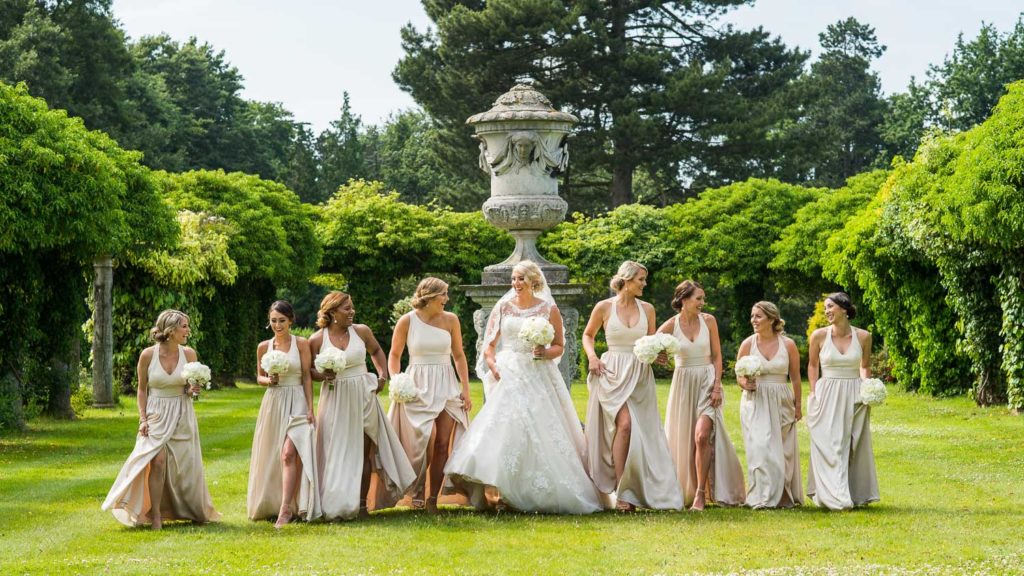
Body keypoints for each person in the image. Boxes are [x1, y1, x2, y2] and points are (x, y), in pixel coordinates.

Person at [446, 261, 607, 514]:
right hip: (508, 371)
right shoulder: (503, 307)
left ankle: (528, 491)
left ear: (534, 280)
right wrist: (493, 364)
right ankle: (497, 493)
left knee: (538, 429)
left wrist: (544, 351)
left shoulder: (548, 309)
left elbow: (559, 346)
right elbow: (489, 345)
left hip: (538, 373)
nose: (515, 284)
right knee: (504, 428)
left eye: (520, 278)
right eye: (513, 279)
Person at [102, 310, 220, 529]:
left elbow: (192, 393)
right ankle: (155, 514)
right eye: (184, 326)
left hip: (182, 412)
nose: (188, 331)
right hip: (156, 413)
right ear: (171, 330)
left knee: (183, 466)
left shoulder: (189, 354)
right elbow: (141, 390)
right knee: (156, 461)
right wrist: (142, 419)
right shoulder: (148, 355)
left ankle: (187, 508)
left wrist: (194, 390)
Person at [582, 261, 683, 511]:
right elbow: (588, 335)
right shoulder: (604, 307)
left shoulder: (647, 309)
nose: (644, 284)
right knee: (624, 425)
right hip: (612, 372)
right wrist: (593, 357)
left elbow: (650, 342)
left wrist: (659, 354)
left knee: (641, 433)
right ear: (626, 280)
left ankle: (634, 489)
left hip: (639, 374)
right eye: (641, 279)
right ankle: (620, 491)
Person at [310, 291, 415, 520]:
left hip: (363, 395)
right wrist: (323, 374)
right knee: (336, 450)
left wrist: (382, 376)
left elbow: (376, 351)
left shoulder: (362, 331)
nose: (352, 312)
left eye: (352, 307)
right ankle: (335, 501)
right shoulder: (318, 339)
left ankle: (361, 506)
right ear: (332, 312)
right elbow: (308, 371)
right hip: (336, 398)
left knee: (364, 450)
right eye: (346, 308)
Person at [383, 277, 471, 514]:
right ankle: (417, 490)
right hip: (418, 383)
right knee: (426, 437)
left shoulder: (451, 320)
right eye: (443, 294)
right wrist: (397, 379)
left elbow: (459, 356)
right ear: (430, 297)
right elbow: (394, 354)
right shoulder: (407, 321)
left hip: (446, 382)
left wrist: (465, 388)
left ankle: (433, 498)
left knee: (443, 443)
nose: (447, 299)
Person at [658, 281, 745, 510]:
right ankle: (686, 488)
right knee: (686, 438)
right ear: (684, 300)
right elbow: (650, 346)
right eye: (698, 298)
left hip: (707, 382)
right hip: (683, 384)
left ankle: (700, 494)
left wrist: (717, 386)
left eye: (703, 299)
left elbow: (717, 357)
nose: (702, 303)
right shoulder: (670, 325)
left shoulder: (709, 321)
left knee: (702, 436)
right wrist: (660, 356)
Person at [248, 300, 321, 527]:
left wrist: (310, 408)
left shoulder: (301, 344)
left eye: (281, 321)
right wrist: (268, 380)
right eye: (273, 321)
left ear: (291, 320)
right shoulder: (263, 347)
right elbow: (258, 377)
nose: (277, 325)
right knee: (274, 454)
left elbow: (306, 376)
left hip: (297, 400)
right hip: (274, 401)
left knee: (290, 453)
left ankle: (286, 509)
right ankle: (272, 502)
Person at [806, 292, 880, 510]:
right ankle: (834, 496)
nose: (827, 311)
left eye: (831, 307)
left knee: (852, 444)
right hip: (827, 392)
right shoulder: (818, 336)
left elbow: (864, 366)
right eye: (826, 307)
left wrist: (867, 388)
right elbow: (812, 366)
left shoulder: (864, 337)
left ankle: (853, 493)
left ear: (845, 309)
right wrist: (813, 392)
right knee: (830, 443)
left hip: (855, 393)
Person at [736, 301, 803, 509]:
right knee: (760, 447)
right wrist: (745, 383)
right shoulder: (748, 344)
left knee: (782, 451)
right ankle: (761, 495)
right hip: (755, 400)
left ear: (772, 319)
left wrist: (798, 405)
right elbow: (738, 374)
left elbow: (796, 378)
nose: (753, 320)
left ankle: (782, 495)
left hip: (781, 399)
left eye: (758, 316)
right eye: (752, 316)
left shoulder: (788, 344)